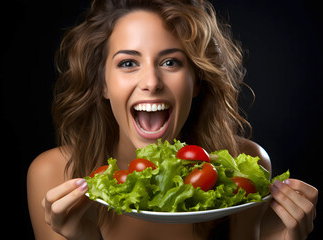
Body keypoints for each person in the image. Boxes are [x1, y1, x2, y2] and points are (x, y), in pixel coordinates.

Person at [27, 0, 318, 239]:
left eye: (171, 62)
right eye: (128, 63)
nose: (151, 82)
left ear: (198, 81)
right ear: (103, 84)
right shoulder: (54, 174)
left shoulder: (244, 165)